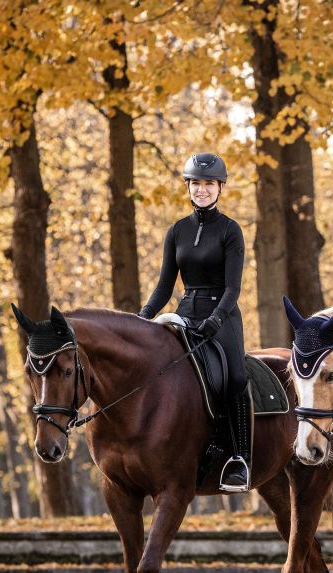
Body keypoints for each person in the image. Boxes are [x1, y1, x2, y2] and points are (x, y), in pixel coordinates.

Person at [138, 152, 251, 491]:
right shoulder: (177, 231)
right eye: (196, 183)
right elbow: (164, 286)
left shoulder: (230, 230)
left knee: (235, 378)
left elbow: (233, 288)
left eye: (209, 184)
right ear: (188, 186)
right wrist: (143, 317)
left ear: (220, 187)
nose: (202, 190)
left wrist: (217, 319)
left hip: (223, 315)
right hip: (185, 313)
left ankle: (240, 459)